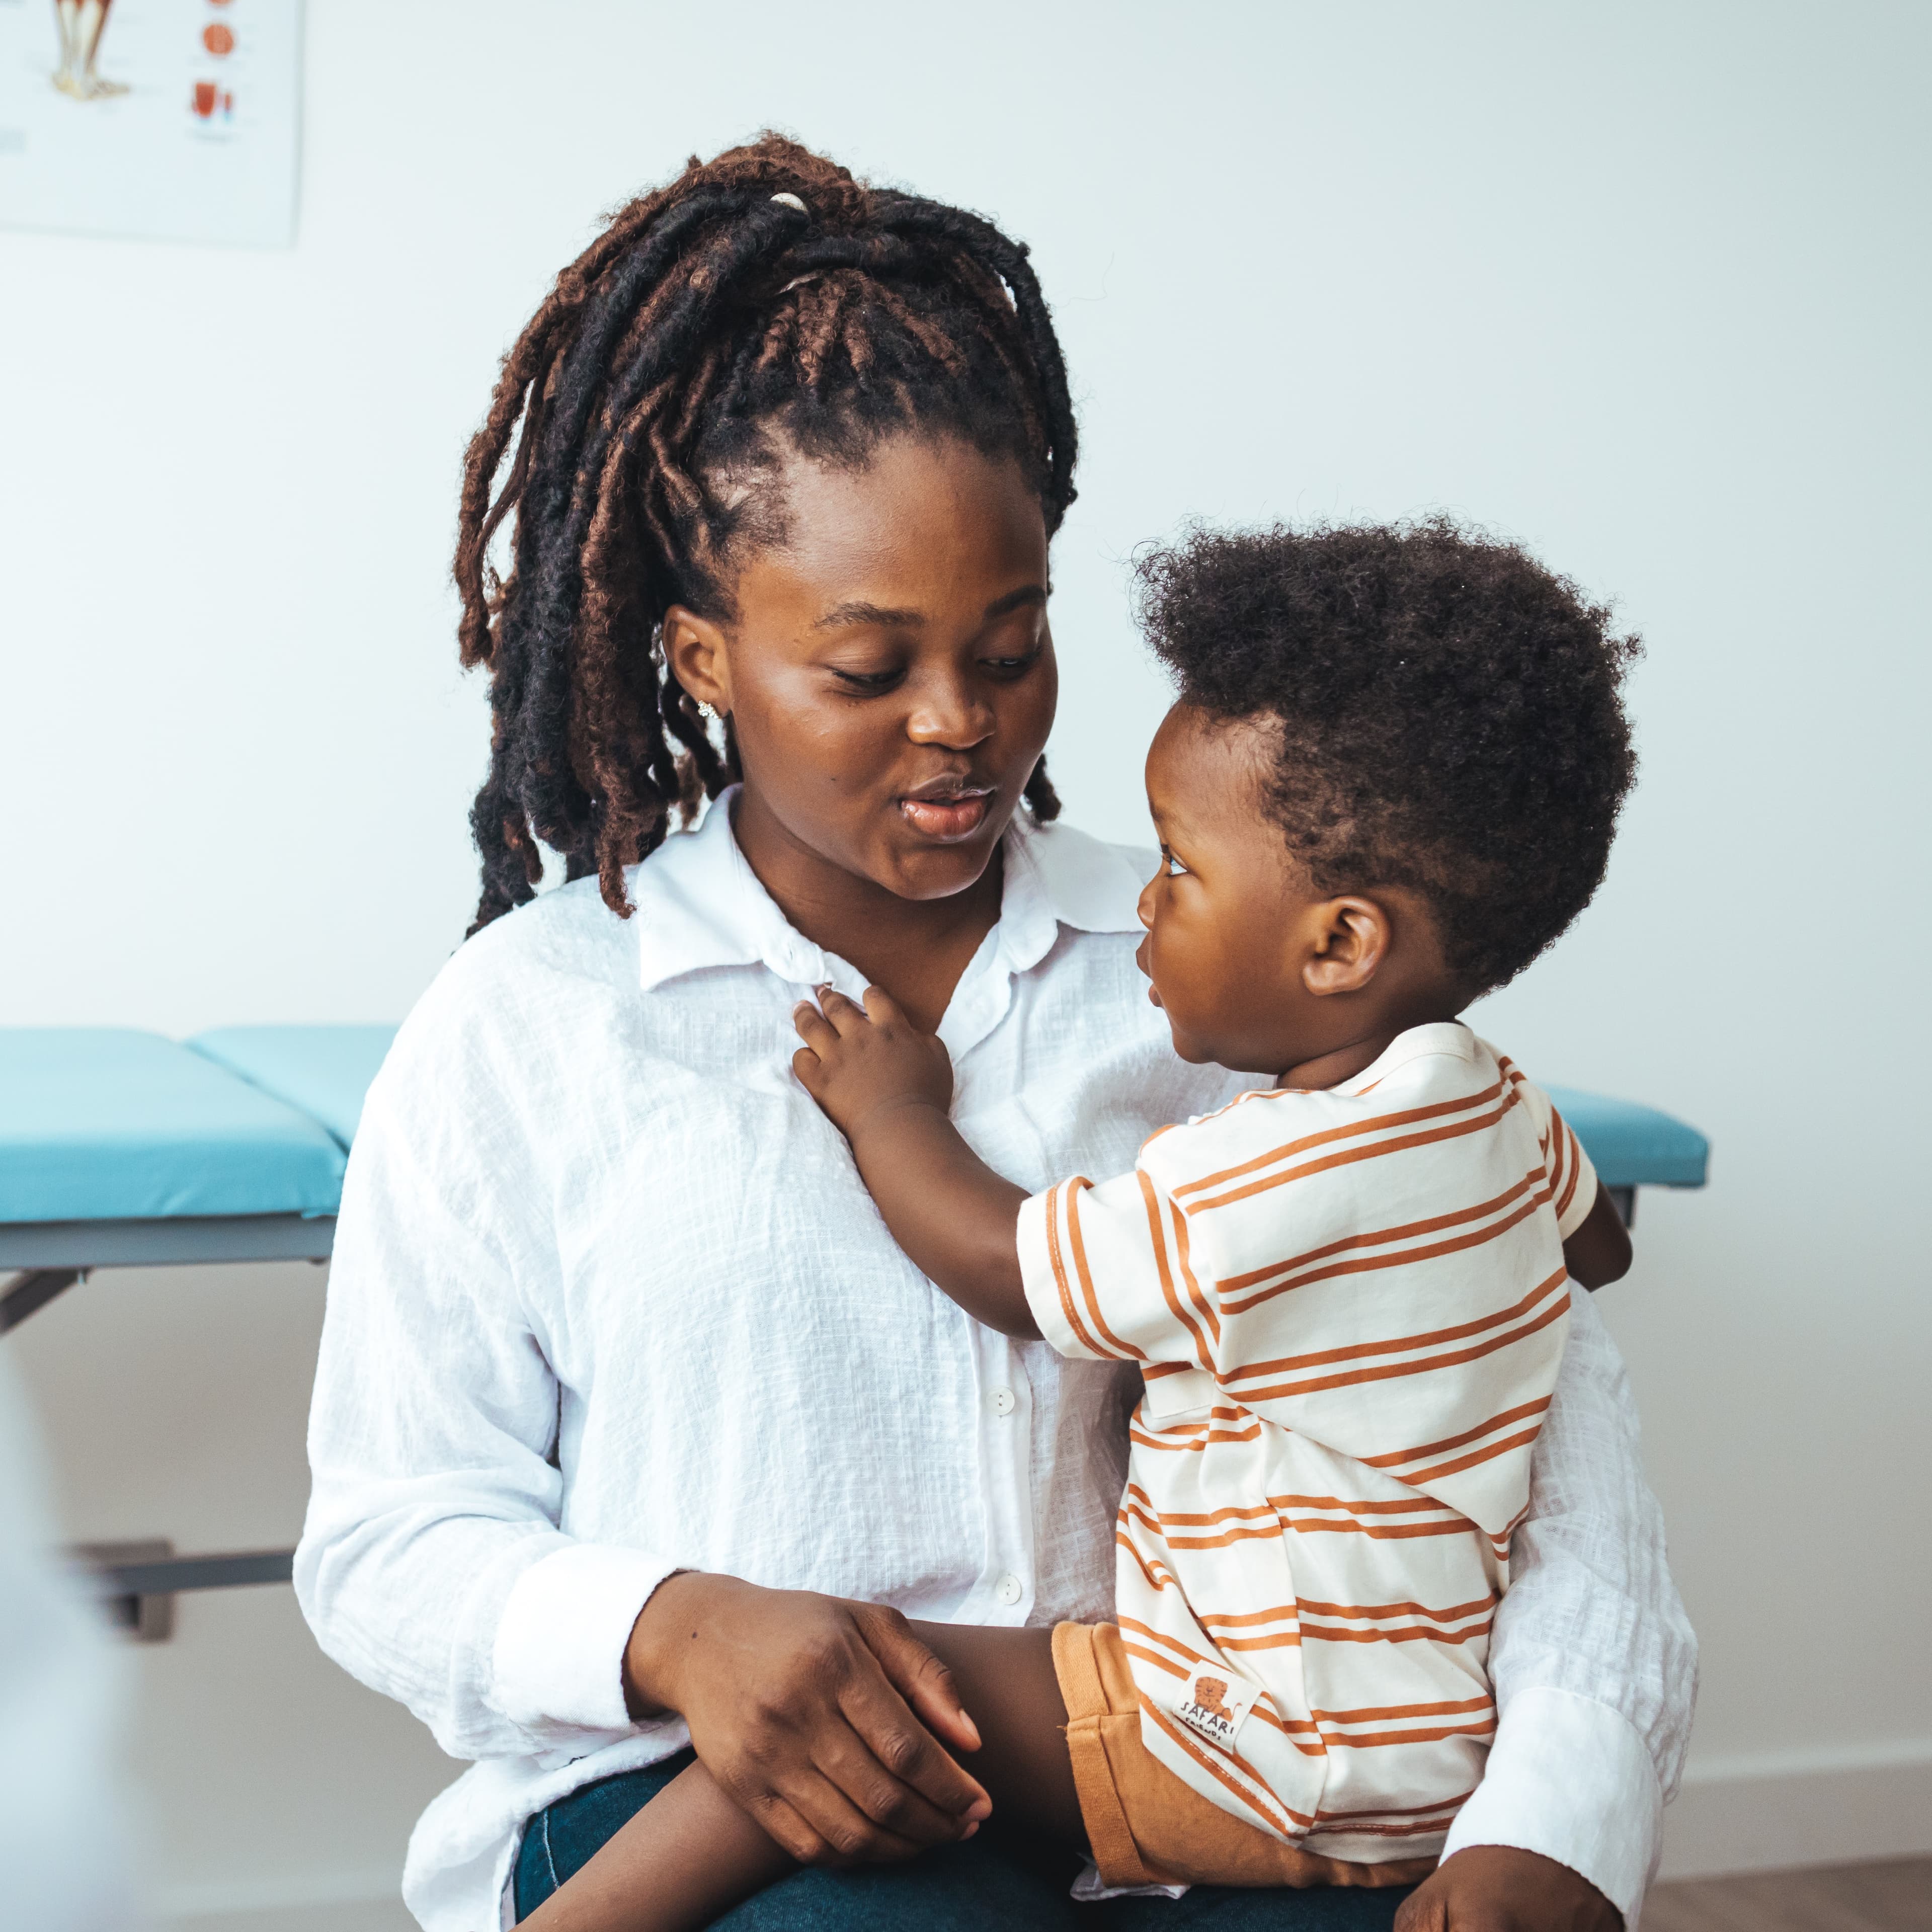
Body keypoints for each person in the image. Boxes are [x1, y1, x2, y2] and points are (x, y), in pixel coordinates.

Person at [293, 137, 1696, 1932]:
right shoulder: (536, 1026)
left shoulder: (1232, 964)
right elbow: (389, 1540)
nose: (966, 729)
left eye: (1015, 646)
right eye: (868, 671)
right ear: (705, 657)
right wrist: (676, 1625)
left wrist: (1553, 1826)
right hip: (715, 1800)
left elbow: (1548, 1432)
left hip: (1210, 1784)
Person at [512, 521, 1648, 1932]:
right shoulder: (1500, 1107)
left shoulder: (1263, 1182)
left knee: (860, 1689)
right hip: (1420, 1756)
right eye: (870, 665)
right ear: (701, 659)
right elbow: (1597, 1244)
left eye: (1179, 871)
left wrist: (893, 1116)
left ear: (1343, 946)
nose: (1149, 904)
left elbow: (1013, 1266)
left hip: (1228, 1740)